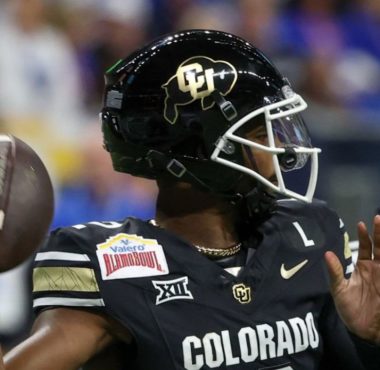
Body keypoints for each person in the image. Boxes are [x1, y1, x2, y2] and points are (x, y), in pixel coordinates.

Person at [1, 29, 380, 370]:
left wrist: (371, 339)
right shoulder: (110, 264)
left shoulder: (310, 235)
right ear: (196, 151)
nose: (281, 149)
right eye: (260, 134)